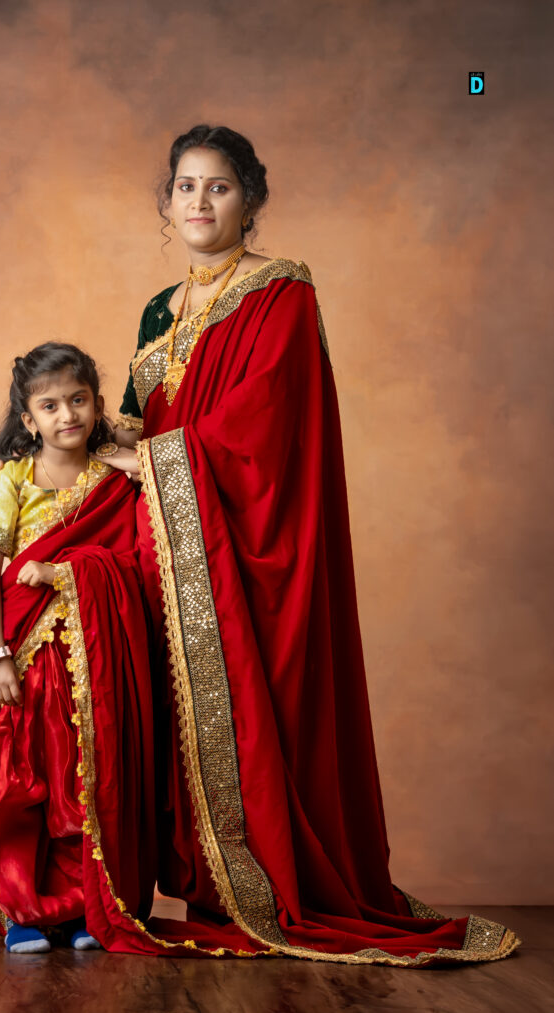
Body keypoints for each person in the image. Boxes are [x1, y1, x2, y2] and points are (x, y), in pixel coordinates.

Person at [95, 124, 522, 965]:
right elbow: (141, 423)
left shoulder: (281, 291)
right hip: (173, 543)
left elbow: (262, 428)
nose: (199, 201)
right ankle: (187, 885)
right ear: (166, 201)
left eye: (218, 186)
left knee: (263, 713)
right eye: (185, 186)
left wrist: (150, 460)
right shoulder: (156, 309)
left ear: (250, 199)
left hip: (251, 545)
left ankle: (272, 884)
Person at [0, 342, 158, 953]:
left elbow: (136, 561)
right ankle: (22, 910)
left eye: (79, 399)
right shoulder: (13, 479)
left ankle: (86, 908)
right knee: (22, 779)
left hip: (97, 653)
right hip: (28, 655)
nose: (67, 414)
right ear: (29, 419)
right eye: (50, 406)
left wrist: (65, 571)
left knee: (86, 778)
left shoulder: (110, 478)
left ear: (96, 403)